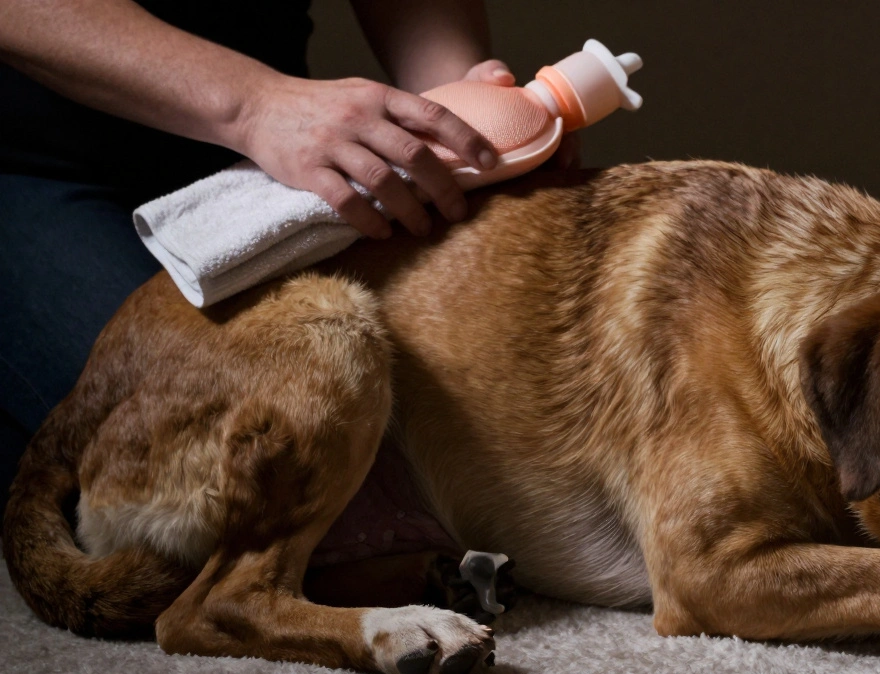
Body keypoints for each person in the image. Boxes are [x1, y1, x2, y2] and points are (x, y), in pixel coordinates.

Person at [0, 0, 518, 501]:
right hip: (38, 163)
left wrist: (454, 102)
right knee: (220, 461)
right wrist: (256, 105)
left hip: (262, 162)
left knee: (437, 402)